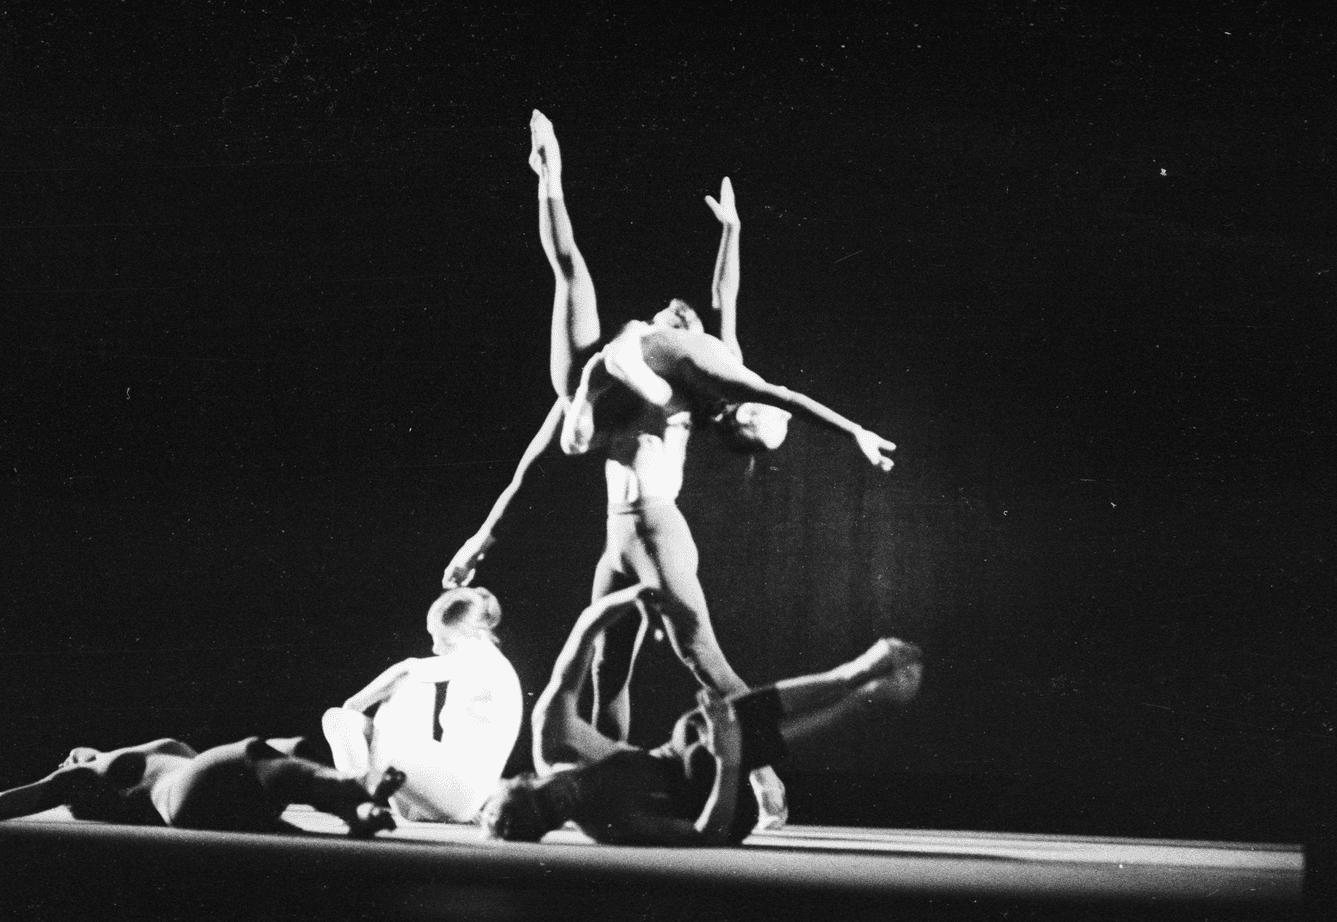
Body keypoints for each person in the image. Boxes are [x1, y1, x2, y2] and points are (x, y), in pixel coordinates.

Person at [444, 111, 898, 828]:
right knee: (606, 665)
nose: (676, 312)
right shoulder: (632, 363)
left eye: (681, 319)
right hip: (614, 525)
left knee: (702, 659)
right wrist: (731, 232)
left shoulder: (696, 379)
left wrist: (854, 433)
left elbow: (765, 379)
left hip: (654, 526)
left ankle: (767, 777)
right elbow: (535, 457)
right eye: (673, 313)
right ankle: (605, 775)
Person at [479, 586, 922, 845]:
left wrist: (632, 599)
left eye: (546, 794)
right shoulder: (610, 823)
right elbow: (707, 834)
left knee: (692, 729)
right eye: (555, 814)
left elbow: (582, 637)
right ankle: (860, 698)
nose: (564, 799)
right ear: (555, 827)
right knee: (701, 747)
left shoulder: (556, 739)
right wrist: (728, 760)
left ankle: (851, 678)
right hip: (725, 806)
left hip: (684, 756)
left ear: (527, 778)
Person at [321, 586, 523, 823]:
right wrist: (350, 716)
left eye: (445, 640)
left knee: (408, 681)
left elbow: (406, 668)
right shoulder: (476, 658)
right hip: (432, 793)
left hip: (460, 793)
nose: (436, 649)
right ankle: (358, 802)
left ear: (476, 633)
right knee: (338, 720)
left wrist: (355, 703)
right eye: (433, 637)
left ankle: (359, 797)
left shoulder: (483, 657)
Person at [0, 736, 401, 836]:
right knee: (268, 758)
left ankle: (359, 810)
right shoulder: (86, 774)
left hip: (201, 795)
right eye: (63, 763)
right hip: (181, 792)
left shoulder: (140, 752)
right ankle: (355, 796)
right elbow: (33, 794)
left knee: (285, 755)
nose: (64, 759)